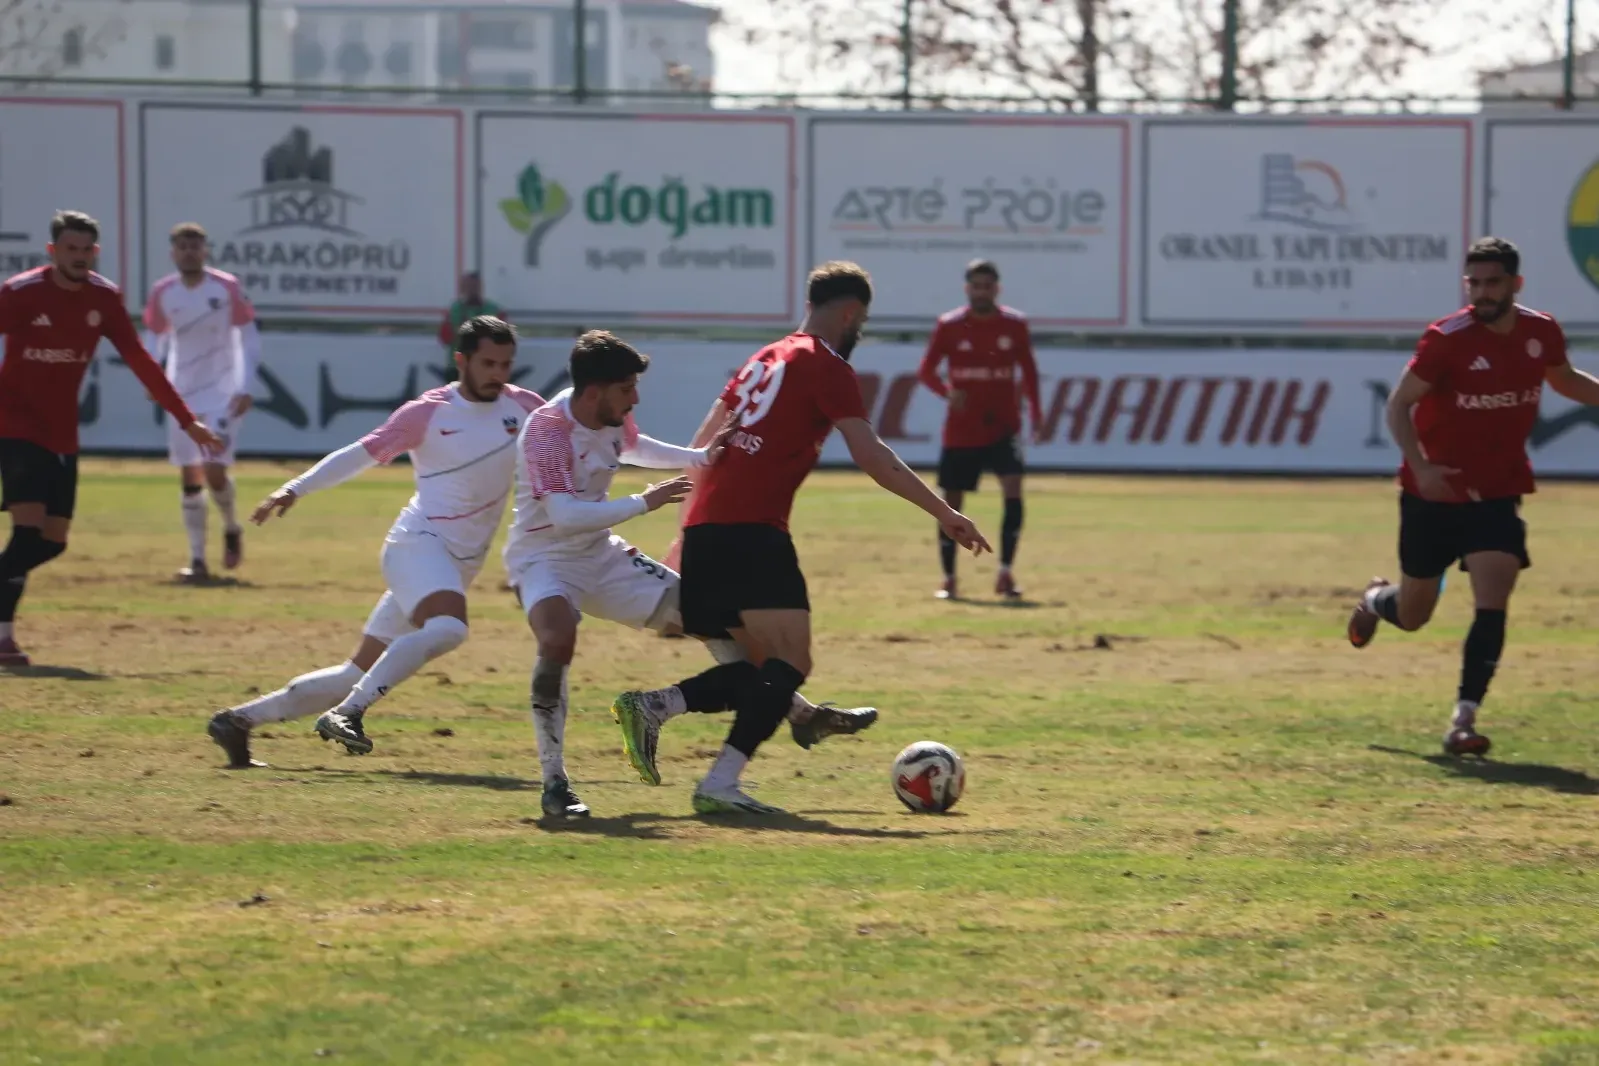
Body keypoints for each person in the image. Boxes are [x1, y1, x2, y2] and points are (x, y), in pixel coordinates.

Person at [610, 261, 990, 815]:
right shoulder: (826, 365)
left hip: (708, 527)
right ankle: (719, 782)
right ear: (851, 312)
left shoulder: (762, 358)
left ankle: (657, 707)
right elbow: (872, 456)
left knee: (760, 665)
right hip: (752, 529)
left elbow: (704, 441)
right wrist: (944, 511)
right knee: (790, 660)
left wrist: (685, 531)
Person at [503, 330, 879, 818]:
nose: (635, 399)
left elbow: (635, 446)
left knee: (714, 619)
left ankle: (801, 714)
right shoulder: (547, 430)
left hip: (602, 556)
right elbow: (564, 515)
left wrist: (699, 457)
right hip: (544, 559)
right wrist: (645, 502)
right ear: (595, 391)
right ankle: (555, 782)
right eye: (627, 390)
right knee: (557, 639)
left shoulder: (609, 415)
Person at [206, 316, 541, 767]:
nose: (497, 373)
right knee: (447, 629)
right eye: (487, 363)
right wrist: (296, 487)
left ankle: (238, 721)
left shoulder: (525, 408)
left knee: (354, 673)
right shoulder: (428, 411)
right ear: (461, 360)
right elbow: (360, 453)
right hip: (417, 547)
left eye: (505, 364)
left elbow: (581, 440)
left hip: (455, 565)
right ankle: (350, 714)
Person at [1345, 237, 1599, 756]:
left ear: (1515, 285)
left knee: (1494, 593)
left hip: (1498, 490)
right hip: (1432, 495)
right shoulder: (1446, 339)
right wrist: (1422, 467)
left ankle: (1464, 719)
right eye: (1474, 284)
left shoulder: (1540, 330)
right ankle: (1375, 598)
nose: (1482, 293)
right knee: (1414, 615)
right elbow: (1398, 406)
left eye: (1492, 283)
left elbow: (1566, 380)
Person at [0, 210, 221, 668]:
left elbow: (141, 360)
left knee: (52, 541)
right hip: (15, 426)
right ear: (53, 251)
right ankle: (4, 638)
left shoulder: (104, 297)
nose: (79, 257)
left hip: (62, 432)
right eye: (70, 249)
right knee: (25, 532)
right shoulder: (21, 294)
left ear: (95, 253)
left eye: (86, 251)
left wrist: (186, 419)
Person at [917, 259, 1041, 602]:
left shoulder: (1014, 325)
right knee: (951, 501)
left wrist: (1037, 413)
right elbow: (926, 371)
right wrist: (947, 392)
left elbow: (1029, 370)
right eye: (976, 286)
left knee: (1014, 491)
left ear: (996, 289)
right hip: (962, 430)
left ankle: (1005, 571)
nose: (982, 292)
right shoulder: (949, 325)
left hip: (1005, 426)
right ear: (967, 288)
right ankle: (949, 577)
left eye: (988, 286)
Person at [143, 222, 262, 582]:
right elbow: (155, 337)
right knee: (189, 473)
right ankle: (197, 560)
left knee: (214, 468)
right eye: (182, 246)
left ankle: (230, 525)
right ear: (173, 252)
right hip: (183, 393)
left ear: (205, 250)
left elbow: (249, 336)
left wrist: (245, 386)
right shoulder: (164, 292)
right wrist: (154, 377)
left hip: (223, 393)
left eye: (195, 246)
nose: (189, 252)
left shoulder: (226, 287)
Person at [439, 272, 505, 354]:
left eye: (475, 286)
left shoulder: (493, 310)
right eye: (468, 286)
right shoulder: (454, 309)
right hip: (458, 363)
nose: (472, 290)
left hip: (485, 363)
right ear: (463, 288)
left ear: (480, 287)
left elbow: (504, 340)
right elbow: (444, 339)